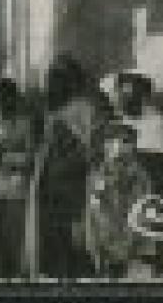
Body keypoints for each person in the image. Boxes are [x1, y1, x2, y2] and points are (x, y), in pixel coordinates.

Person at [28, 55, 103, 280]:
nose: (54, 84)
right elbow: (43, 148)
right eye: (52, 78)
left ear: (72, 81)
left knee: (76, 236)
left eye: (60, 78)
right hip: (50, 184)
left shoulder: (84, 108)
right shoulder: (49, 111)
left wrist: (68, 165)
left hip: (75, 185)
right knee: (52, 235)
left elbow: (90, 148)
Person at [0, 78, 37, 279]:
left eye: (4, 99)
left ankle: (16, 281)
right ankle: (1, 280)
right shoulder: (0, 124)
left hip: (18, 189)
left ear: (13, 98)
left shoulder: (26, 123)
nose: (0, 104)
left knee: (15, 239)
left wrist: (3, 157)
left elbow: (32, 158)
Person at [84, 120, 153, 278]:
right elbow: (94, 211)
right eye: (112, 140)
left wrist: (129, 244)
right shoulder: (96, 175)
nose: (119, 146)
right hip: (104, 245)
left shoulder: (140, 176)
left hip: (133, 245)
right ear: (104, 146)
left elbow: (143, 211)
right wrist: (99, 244)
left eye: (125, 141)